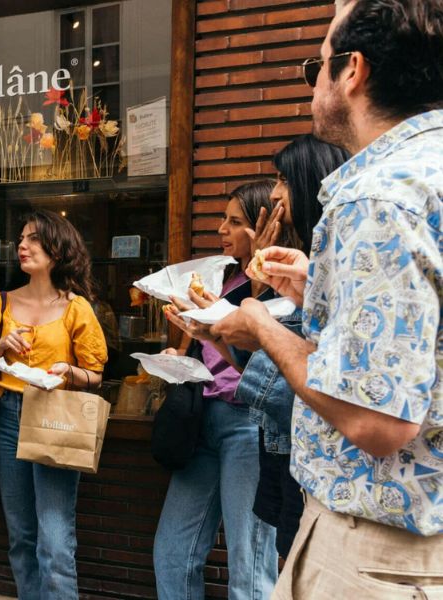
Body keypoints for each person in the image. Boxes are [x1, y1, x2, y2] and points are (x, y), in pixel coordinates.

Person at [212, 1, 443, 597]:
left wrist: (261, 321)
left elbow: (376, 417)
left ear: (352, 73)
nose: (312, 83)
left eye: (314, 67)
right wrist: (317, 284)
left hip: (376, 554)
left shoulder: (377, 198)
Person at [0, 210, 107, 600]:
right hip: (8, 414)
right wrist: (1, 346)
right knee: (21, 535)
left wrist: (69, 370)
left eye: (33, 239)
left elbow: (95, 374)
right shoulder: (1, 303)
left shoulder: (76, 307)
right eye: (22, 239)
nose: (23, 246)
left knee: (54, 538)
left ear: (57, 249)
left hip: (53, 416)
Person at [153, 180, 279, 600]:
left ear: (263, 227)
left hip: (248, 424)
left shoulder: (283, 282)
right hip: (202, 419)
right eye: (223, 219)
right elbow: (212, 346)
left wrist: (261, 277)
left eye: (235, 221)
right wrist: (183, 352)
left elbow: (270, 357)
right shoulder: (221, 277)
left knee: (251, 563)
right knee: (173, 552)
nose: (222, 229)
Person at [236, 135, 349, 559]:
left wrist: (258, 321)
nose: (276, 193)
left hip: (313, 465)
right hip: (284, 451)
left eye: (283, 180)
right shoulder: (300, 262)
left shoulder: (338, 260)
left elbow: (293, 383)